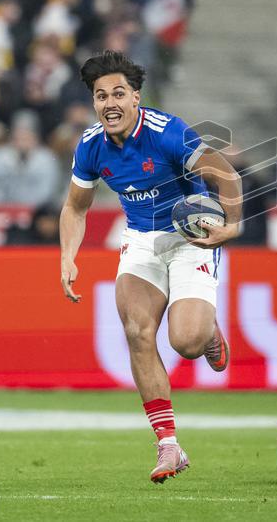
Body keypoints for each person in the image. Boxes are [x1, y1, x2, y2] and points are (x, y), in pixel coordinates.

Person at [59, 50, 242, 483]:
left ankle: (206, 332)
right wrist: (67, 256)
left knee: (187, 343)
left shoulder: (166, 132)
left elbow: (227, 175)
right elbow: (75, 207)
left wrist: (232, 226)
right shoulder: (90, 145)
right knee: (137, 331)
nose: (110, 103)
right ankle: (168, 444)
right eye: (101, 96)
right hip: (141, 239)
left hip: (191, 238)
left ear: (135, 97)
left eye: (118, 93)